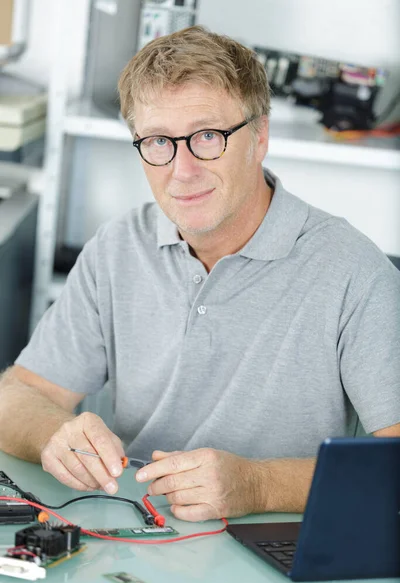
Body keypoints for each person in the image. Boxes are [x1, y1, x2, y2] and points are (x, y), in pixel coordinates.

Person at [0, 26, 399, 523]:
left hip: (279, 557)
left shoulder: (354, 272)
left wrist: (259, 484)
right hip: (134, 538)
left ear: (260, 137)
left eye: (208, 137)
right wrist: (53, 435)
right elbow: (17, 395)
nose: (181, 169)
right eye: (158, 141)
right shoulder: (118, 247)